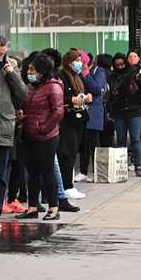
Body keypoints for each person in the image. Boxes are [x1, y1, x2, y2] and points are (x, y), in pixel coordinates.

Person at [0, 35, 26, 222]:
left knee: (0, 175)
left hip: (4, 128)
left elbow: (23, 94)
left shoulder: (11, 67)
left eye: (0, 53)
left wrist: (12, 74)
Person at [18, 54, 65, 221]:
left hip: (47, 137)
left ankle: (53, 207)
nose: (29, 72)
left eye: (32, 69)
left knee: (47, 171)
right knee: (33, 172)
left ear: (42, 71)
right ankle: (32, 207)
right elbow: (28, 105)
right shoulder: (31, 86)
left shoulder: (53, 87)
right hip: (30, 134)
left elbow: (58, 112)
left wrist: (44, 128)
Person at [108, 51, 141, 178]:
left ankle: (138, 165)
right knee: (120, 140)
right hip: (119, 111)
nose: (120, 67)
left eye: (122, 64)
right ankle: (122, 166)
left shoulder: (135, 74)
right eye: (117, 65)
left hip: (133, 110)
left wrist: (138, 81)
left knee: (135, 139)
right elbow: (115, 92)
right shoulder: (113, 76)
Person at [57, 49, 89, 199]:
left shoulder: (78, 76)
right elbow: (61, 96)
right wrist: (71, 100)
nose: (79, 63)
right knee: (67, 152)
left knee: (74, 149)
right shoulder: (62, 76)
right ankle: (66, 185)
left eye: (80, 60)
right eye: (76, 60)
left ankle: (69, 184)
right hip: (67, 118)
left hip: (78, 117)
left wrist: (85, 97)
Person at [78, 52, 109, 179]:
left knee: (93, 143)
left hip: (94, 112)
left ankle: (97, 171)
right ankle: (83, 171)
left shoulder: (99, 71)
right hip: (82, 111)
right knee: (83, 143)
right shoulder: (77, 73)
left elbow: (97, 89)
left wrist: (86, 74)